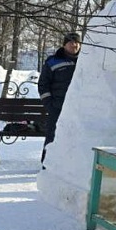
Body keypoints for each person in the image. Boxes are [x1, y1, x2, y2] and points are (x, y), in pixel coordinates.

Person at [38, 31, 81, 164]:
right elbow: (43, 85)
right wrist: (49, 104)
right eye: (70, 42)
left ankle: (70, 165)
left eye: (76, 42)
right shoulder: (53, 61)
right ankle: (47, 164)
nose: (74, 45)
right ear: (64, 45)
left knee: (77, 136)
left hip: (79, 108)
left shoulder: (86, 61)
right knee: (52, 136)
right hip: (57, 106)